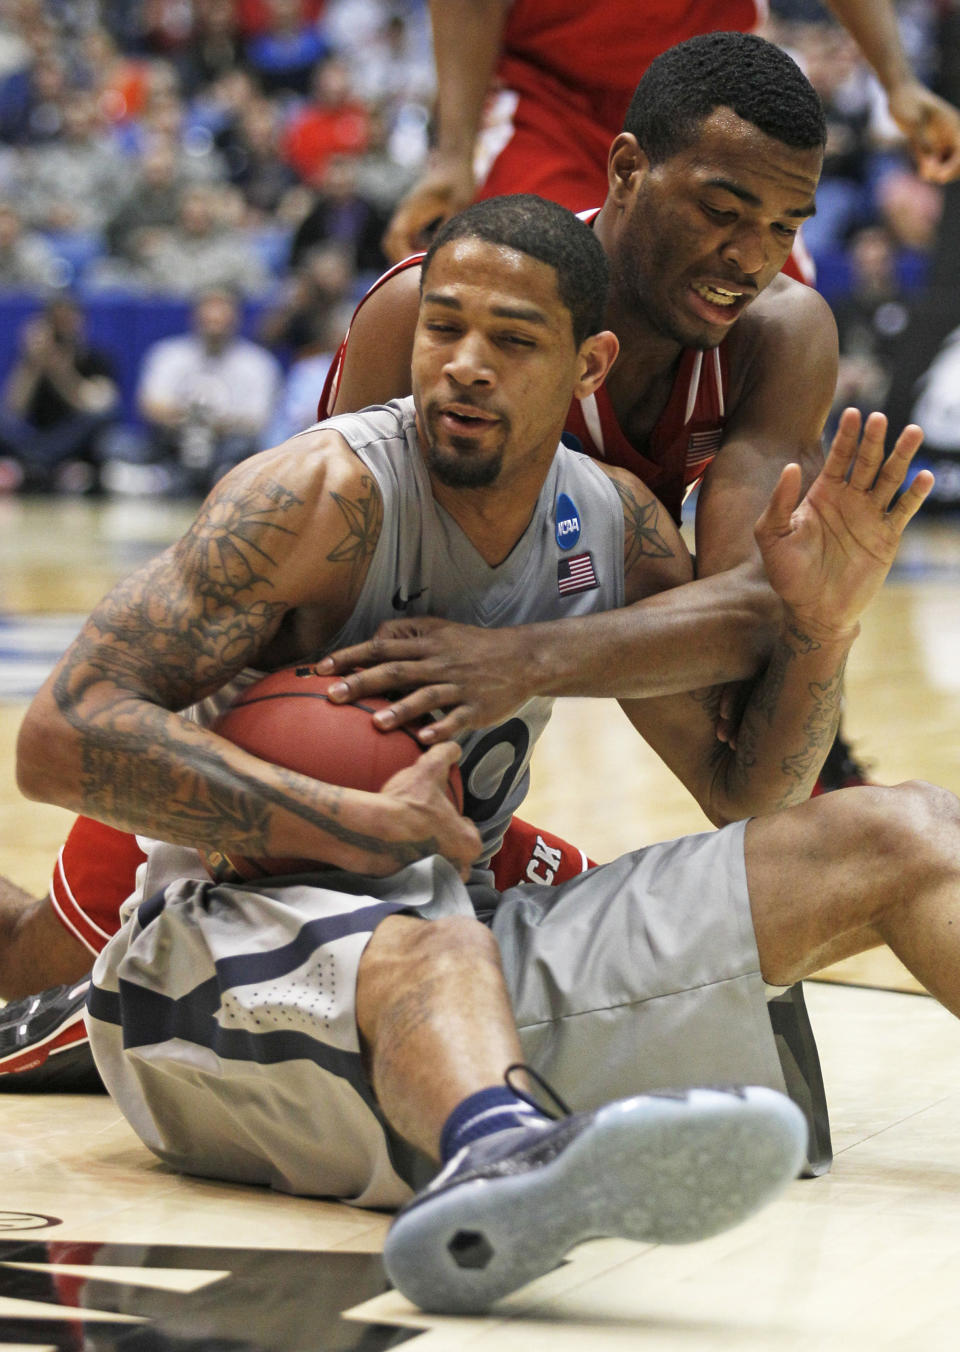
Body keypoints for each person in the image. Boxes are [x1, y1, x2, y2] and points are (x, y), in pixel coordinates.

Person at [15, 194, 936, 1316]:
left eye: (511, 340)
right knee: (432, 938)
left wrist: (819, 632)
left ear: (590, 363)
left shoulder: (616, 525)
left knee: (903, 832)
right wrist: (337, 818)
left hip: (447, 955)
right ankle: (503, 1166)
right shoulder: (319, 494)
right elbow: (60, 736)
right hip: (213, 965)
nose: (463, 364)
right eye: (442, 328)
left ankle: (507, 1129)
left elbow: (752, 792)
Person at [0, 30, 840, 1077]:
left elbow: (753, 615)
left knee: (702, 987)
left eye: (784, 225)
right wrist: (294, 825)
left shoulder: (778, 333)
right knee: (35, 986)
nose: (754, 255)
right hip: (292, 744)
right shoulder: (430, 312)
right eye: (724, 212)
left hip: (455, 782)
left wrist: (524, 659)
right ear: (626, 169)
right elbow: (308, 618)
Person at [383, 0, 960, 264]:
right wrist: (453, 157)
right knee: (529, 285)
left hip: (710, 104)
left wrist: (897, 80)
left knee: (780, 319)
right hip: (550, 101)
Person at [0, 295, 120, 494]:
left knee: (104, 417)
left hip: (76, 443)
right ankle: (43, 466)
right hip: (37, 437)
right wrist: (33, 364)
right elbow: (14, 409)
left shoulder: (96, 359)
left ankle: (33, 467)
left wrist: (60, 372)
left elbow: (95, 406)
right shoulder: (32, 361)